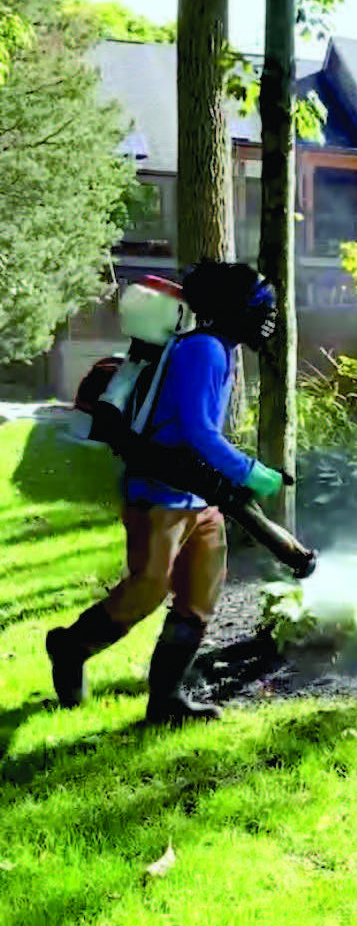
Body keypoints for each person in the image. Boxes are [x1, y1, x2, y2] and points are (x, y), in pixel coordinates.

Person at [46, 260, 286, 726]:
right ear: (234, 307)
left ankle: (166, 701)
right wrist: (252, 472)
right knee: (148, 587)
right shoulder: (204, 351)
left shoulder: (222, 349)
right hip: (158, 495)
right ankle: (71, 647)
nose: (268, 315)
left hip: (199, 498)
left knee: (200, 597)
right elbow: (197, 431)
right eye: (261, 304)